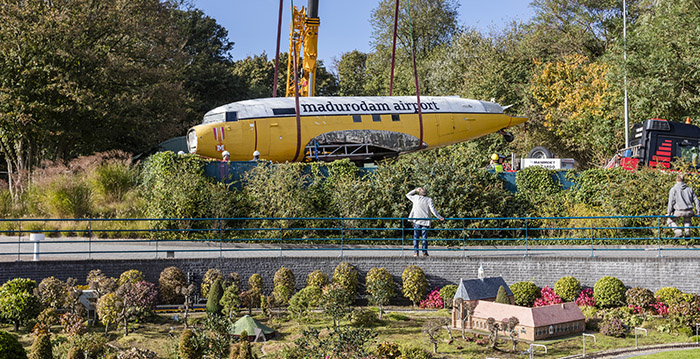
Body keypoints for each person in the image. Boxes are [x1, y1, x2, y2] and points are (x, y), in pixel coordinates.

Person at [406, 187, 444, 256]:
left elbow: (408, 195)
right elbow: (433, 210)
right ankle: (424, 252)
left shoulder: (415, 198)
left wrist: (415, 190)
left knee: (416, 237)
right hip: (425, 221)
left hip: (417, 220)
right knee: (424, 238)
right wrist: (439, 217)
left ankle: (415, 252)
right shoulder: (429, 200)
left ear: (419, 192)